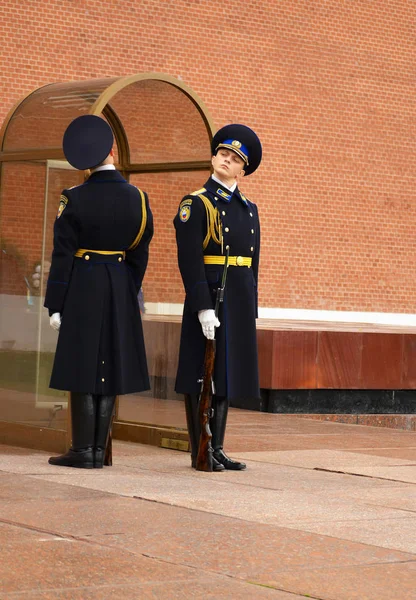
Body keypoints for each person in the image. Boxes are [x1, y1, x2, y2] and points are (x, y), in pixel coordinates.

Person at [45, 114, 153, 469]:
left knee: (82, 364)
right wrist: (126, 288)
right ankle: (97, 451)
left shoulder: (74, 197)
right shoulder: (138, 198)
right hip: (120, 282)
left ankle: (82, 451)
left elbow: (62, 256)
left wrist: (55, 304)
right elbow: (140, 252)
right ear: (112, 152)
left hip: (83, 285)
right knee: (109, 366)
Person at [174, 124, 262, 471]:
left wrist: (251, 304)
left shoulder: (248, 208)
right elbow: (189, 260)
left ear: (244, 169)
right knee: (201, 372)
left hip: (238, 296)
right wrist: (202, 308)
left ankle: (218, 446)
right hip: (211, 294)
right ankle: (201, 449)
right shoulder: (196, 203)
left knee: (226, 374)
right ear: (213, 158)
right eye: (222, 154)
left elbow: (253, 261)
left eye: (235, 158)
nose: (226, 160)